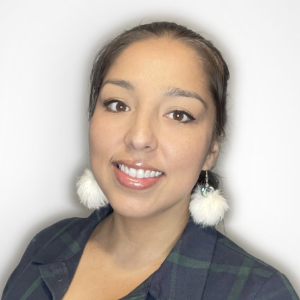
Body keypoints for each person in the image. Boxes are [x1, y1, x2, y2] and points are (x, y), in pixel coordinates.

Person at [2, 21, 299, 300]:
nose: (140, 136)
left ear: (212, 149)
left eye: (178, 114)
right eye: (118, 105)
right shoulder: (50, 242)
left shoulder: (259, 292)